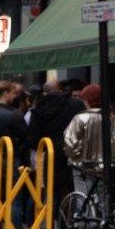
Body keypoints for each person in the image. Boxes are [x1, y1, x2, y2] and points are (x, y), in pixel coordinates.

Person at [29, 80, 84, 210]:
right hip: (73, 153)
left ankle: (51, 223)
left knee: (53, 192)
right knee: (72, 190)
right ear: (61, 89)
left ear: (44, 92)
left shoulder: (39, 109)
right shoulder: (75, 105)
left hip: (51, 154)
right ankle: (69, 223)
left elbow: (33, 140)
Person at [63, 84, 115, 195]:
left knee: (82, 197)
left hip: (81, 167)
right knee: (101, 197)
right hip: (104, 166)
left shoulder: (79, 118)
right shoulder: (111, 118)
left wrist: (78, 154)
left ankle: (83, 212)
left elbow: (70, 144)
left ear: (86, 100)